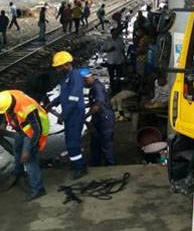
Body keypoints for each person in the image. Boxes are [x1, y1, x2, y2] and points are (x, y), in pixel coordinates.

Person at [0, 90, 49, 200]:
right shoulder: (7, 96)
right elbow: (6, 110)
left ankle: (38, 189)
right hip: (21, 128)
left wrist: (28, 150)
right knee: (17, 150)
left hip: (32, 131)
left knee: (29, 160)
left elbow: (38, 129)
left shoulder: (28, 107)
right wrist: (4, 123)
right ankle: (18, 173)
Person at [46, 51, 87, 179]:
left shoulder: (75, 76)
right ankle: (75, 164)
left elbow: (73, 99)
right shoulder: (66, 77)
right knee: (70, 140)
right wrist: (52, 103)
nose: (57, 69)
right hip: (70, 114)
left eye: (59, 66)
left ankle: (80, 168)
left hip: (75, 114)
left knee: (73, 142)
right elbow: (63, 95)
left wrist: (64, 115)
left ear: (67, 64)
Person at [80, 68, 115, 166]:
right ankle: (96, 162)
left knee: (106, 143)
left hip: (104, 119)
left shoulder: (97, 88)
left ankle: (110, 165)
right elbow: (93, 103)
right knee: (95, 142)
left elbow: (97, 106)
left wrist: (85, 116)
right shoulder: (94, 86)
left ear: (86, 80)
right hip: (98, 118)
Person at [102, 28, 126, 94]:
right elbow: (103, 50)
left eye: (116, 33)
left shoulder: (120, 40)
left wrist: (125, 58)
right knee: (111, 76)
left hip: (119, 61)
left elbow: (123, 50)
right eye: (114, 33)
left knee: (118, 76)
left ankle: (118, 89)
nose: (116, 34)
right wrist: (109, 50)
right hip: (110, 61)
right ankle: (112, 89)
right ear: (111, 33)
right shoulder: (108, 41)